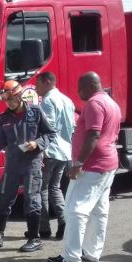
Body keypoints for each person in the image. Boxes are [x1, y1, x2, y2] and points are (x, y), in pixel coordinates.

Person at [48, 72, 122, 262]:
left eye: (80, 88)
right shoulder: (111, 103)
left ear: (90, 85)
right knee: (99, 211)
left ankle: (71, 256)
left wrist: (79, 163)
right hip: (107, 163)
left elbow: (94, 135)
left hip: (92, 165)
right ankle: (91, 252)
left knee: (75, 210)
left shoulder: (94, 104)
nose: (78, 92)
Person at [0, 80, 56, 252]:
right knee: (4, 198)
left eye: (11, 99)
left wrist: (37, 143)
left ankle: (34, 238)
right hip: (12, 165)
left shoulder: (35, 112)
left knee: (32, 200)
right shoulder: (4, 119)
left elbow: (50, 134)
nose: (8, 103)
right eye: (6, 100)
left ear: (19, 96)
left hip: (31, 165)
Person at [35, 72, 76, 240]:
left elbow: (47, 128)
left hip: (50, 151)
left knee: (42, 189)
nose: (36, 88)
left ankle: (44, 229)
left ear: (47, 82)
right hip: (64, 151)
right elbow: (72, 127)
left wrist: (41, 151)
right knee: (55, 187)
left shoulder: (48, 101)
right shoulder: (67, 100)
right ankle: (63, 222)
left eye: (38, 84)